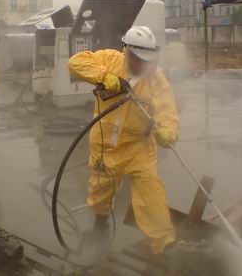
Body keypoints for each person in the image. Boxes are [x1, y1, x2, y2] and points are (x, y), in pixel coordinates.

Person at [68, 26, 179, 255]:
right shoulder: (109, 60)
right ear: (126, 50)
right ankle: (100, 223)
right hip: (105, 145)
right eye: (136, 58)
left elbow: (167, 112)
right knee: (100, 190)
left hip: (138, 146)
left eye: (146, 60)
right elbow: (76, 62)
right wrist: (104, 76)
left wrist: (168, 132)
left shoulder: (157, 79)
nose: (140, 64)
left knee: (150, 191)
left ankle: (164, 242)